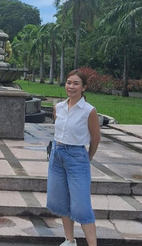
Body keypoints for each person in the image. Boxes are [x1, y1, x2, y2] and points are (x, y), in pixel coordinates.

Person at [46, 69, 101, 246]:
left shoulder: (89, 111)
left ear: (83, 87)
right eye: (69, 82)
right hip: (57, 155)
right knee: (61, 201)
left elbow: (95, 138)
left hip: (77, 156)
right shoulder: (58, 107)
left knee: (81, 205)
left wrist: (86, 158)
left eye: (76, 83)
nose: (71, 86)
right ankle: (70, 240)